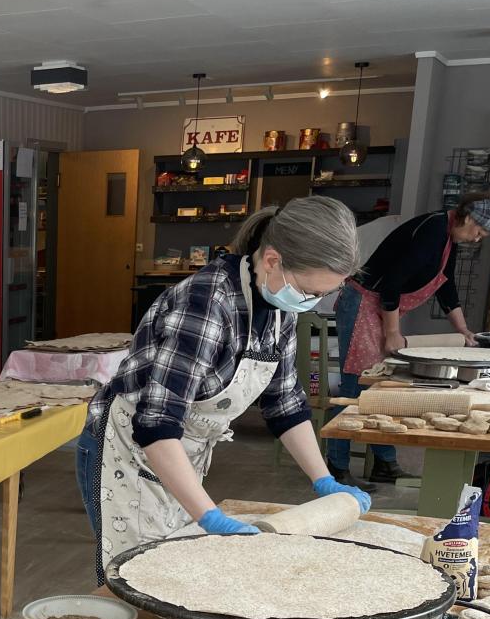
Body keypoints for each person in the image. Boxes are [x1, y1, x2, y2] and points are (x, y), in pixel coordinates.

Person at [78, 197, 369, 578]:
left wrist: (324, 480)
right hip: (131, 453)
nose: (312, 302)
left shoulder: (278, 307)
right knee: (140, 577)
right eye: (309, 291)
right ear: (271, 261)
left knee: (175, 570)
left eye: (323, 295)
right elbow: (156, 423)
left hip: (182, 453)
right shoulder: (206, 303)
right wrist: (211, 517)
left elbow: (285, 404)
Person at [326, 193, 490, 485]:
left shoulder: (448, 238)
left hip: (379, 309)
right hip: (363, 305)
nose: (478, 239)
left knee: (379, 390)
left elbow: (446, 286)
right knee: (356, 387)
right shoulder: (432, 230)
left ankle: (385, 463)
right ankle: (336, 468)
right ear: (468, 217)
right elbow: (392, 283)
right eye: (479, 232)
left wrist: (463, 331)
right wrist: (393, 333)